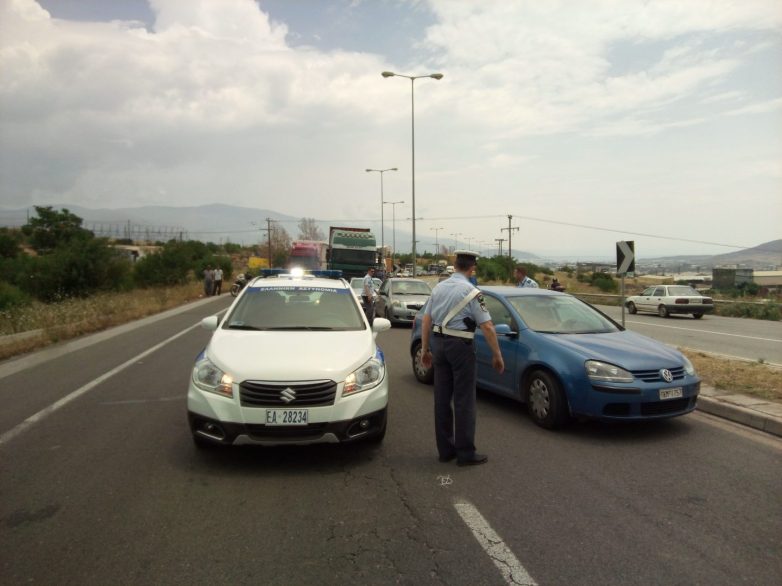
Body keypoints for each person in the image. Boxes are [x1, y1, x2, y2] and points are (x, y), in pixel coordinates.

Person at [421, 251, 504, 466]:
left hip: (438, 345)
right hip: (461, 347)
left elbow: (426, 319)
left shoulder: (438, 288)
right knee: (464, 400)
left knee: (441, 398)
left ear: (455, 265)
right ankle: (465, 453)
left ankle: (445, 451)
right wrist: (497, 355)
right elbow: (487, 326)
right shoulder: (473, 292)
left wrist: (424, 349)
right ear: (472, 268)